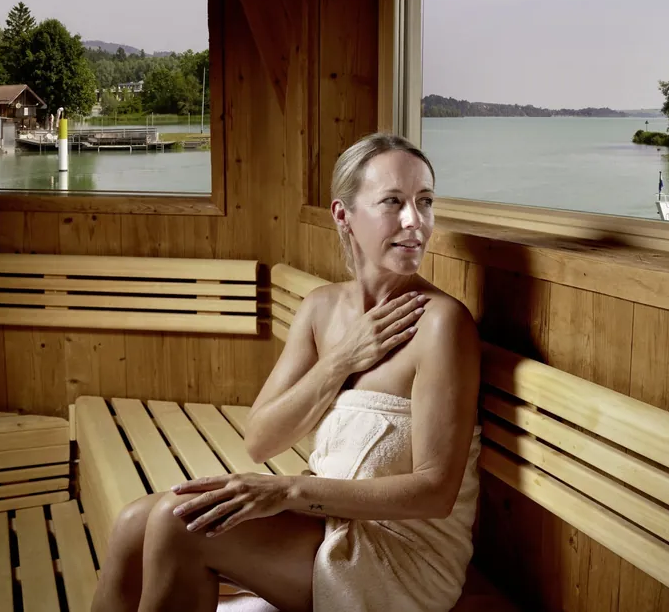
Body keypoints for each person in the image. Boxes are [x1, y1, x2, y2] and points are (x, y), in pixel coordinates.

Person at [90, 133, 483, 612]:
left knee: (178, 521)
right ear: (344, 216)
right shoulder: (321, 309)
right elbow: (260, 439)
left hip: (400, 552)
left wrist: (286, 491)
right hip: (328, 519)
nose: (414, 222)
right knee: (134, 522)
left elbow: (435, 493)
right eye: (393, 202)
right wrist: (342, 359)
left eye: (425, 202)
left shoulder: (442, 323)